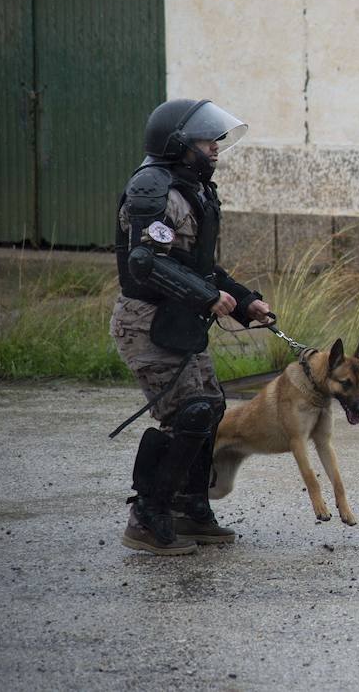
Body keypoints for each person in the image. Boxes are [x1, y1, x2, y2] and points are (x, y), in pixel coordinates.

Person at [113, 99, 271, 554]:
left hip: (180, 318)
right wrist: (206, 296)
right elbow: (145, 262)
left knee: (209, 408)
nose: (216, 148)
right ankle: (147, 515)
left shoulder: (192, 189)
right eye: (206, 141)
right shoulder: (152, 189)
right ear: (178, 144)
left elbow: (197, 266)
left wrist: (245, 301)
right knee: (187, 413)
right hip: (147, 321)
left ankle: (188, 507)